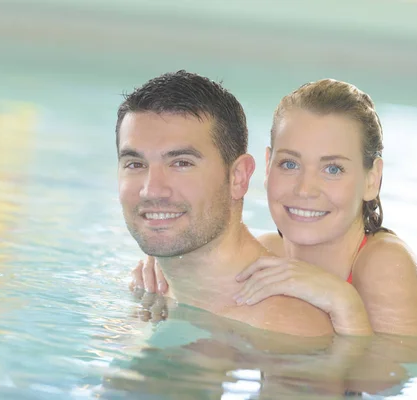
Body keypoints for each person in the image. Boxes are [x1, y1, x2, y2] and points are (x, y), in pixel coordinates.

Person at [131, 77, 417, 337]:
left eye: (333, 169)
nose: (305, 188)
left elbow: (385, 383)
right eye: (289, 164)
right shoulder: (268, 251)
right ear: (266, 164)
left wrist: (342, 301)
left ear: (372, 180)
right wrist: (170, 267)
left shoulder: (384, 265)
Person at [116, 70, 371, 337]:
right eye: (135, 164)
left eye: (181, 163)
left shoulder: (285, 327)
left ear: (238, 177)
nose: (151, 190)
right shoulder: (146, 289)